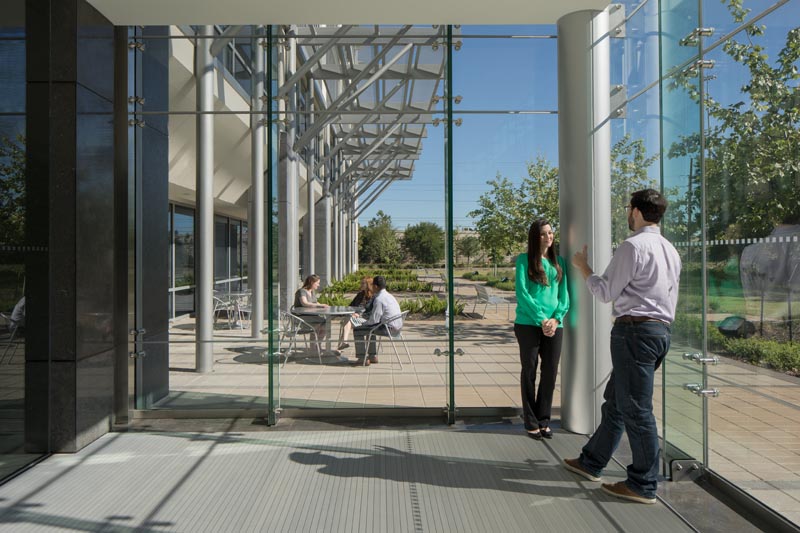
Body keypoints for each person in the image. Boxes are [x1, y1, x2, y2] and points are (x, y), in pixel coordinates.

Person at [564, 188, 681, 505]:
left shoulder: (633, 247)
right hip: (658, 334)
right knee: (616, 402)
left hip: (634, 334)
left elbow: (605, 292)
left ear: (638, 212)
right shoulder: (670, 249)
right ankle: (592, 462)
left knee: (637, 410)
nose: (627, 214)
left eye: (629, 209)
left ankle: (643, 484)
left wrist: (582, 267)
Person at [514, 219, 569, 440]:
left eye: (550, 233)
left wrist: (555, 319)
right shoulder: (523, 260)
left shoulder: (560, 262)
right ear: (535, 237)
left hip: (555, 326)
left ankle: (544, 419)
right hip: (528, 324)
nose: (549, 237)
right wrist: (541, 319)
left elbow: (564, 295)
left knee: (550, 372)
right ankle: (530, 420)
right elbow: (522, 293)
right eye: (543, 234)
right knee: (529, 371)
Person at [352, 275, 402, 366]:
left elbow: (374, 321)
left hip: (388, 329)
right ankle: (372, 356)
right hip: (397, 328)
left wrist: (361, 322)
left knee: (358, 329)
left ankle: (362, 358)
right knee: (371, 329)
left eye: (372, 285)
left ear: (375, 286)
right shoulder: (390, 296)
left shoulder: (379, 299)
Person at [293, 274, 329, 352]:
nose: (318, 285)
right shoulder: (301, 291)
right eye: (317, 283)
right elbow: (305, 303)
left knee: (325, 323)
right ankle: (313, 348)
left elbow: (315, 302)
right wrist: (320, 306)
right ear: (312, 282)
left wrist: (323, 305)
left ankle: (318, 345)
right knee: (316, 324)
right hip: (301, 317)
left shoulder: (312, 292)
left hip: (311, 315)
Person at [337, 276, 374, 351]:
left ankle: (341, 347)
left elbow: (371, 312)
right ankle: (343, 344)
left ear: (368, 285)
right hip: (355, 317)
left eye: (363, 283)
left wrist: (359, 315)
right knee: (347, 320)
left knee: (347, 322)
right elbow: (351, 306)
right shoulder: (360, 294)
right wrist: (352, 313)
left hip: (366, 319)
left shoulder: (373, 297)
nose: (361, 284)